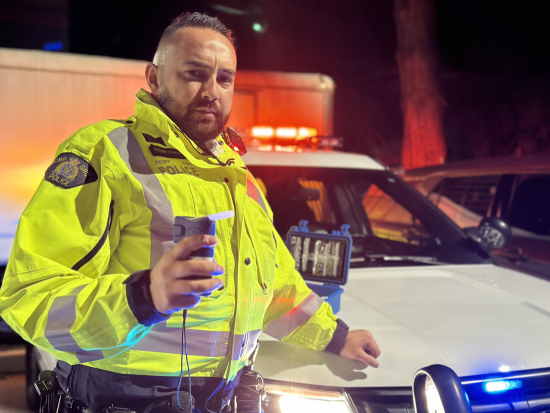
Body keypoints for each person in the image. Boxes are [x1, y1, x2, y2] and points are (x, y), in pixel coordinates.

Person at [0, 12, 380, 413]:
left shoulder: (237, 176)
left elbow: (275, 288)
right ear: (154, 78)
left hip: (227, 396)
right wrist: (143, 297)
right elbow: (28, 294)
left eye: (224, 78)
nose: (211, 91)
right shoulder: (105, 152)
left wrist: (337, 338)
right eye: (194, 73)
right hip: (123, 398)